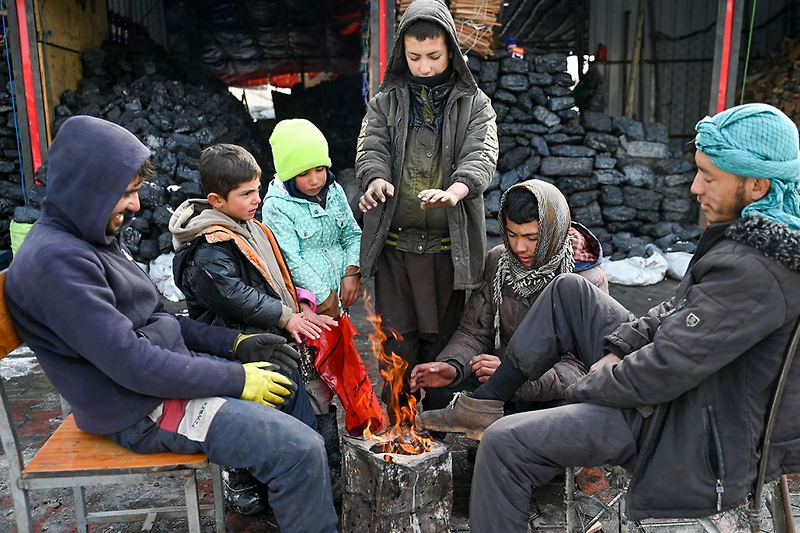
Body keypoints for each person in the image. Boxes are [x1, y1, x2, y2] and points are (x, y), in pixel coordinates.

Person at [420, 103, 800, 531]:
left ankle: (500, 415)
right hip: (671, 392)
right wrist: (621, 347)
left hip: (681, 422)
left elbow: (666, 370)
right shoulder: (744, 241)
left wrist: (591, 383)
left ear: (757, 185)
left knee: (505, 443)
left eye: (708, 176)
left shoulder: (755, 270)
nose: (695, 188)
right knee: (569, 292)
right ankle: (485, 402)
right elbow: (673, 311)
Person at [4, 116, 338, 533]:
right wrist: (235, 379)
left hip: (162, 376)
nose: (136, 206)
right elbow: (133, 365)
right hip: (142, 407)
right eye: (125, 194)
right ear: (85, 190)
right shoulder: (55, 264)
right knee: (298, 448)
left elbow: (163, 319)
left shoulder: (91, 238)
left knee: (283, 384)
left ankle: (301, 498)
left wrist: (238, 344)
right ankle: (299, 486)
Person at [168, 143, 334, 515]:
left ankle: (302, 470)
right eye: (245, 194)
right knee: (267, 400)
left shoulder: (249, 227)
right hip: (229, 345)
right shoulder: (208, 246)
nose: (256, 199)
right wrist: (284, 316)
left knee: (299, 392)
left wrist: (300, 303)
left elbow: (275, 275)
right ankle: (247, 477)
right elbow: (233, 295)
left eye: (257, 190)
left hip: (263, 337)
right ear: (217, 200)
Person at [355, 0, 498, 413]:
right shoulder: (386, 101)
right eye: (415, 57)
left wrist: (457, 190)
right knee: (396, 345)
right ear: (403, 53)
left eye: (434, 56)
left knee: (446, 348)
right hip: (396, 251)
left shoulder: (475, 104)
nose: (424, 66)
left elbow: (482, 153)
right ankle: (399, 430)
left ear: (451, 50)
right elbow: (371, 147)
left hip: (447, 251)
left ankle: (440, 428)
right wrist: (375, 179)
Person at [410, 180, 608, 415]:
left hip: (546, 389)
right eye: (512, 234)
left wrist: (511, 377)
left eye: (532, 237)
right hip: (498, 379)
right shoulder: (497, 261)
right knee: (440, 393)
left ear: (553, 231)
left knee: (567, 413)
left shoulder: (585, 279)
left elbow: (579, 367)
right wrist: (452, 366)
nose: (519, 247)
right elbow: (473, 332)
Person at [262, 118, 382, 438]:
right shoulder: (277, 206)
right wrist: (323, 295)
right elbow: (290, 258)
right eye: (303, 173)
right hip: (307, 306)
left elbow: (351, 234)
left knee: (343, 367)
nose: (314, 179)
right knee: (315, 377)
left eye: (319, 169)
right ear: (288, 175)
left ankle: (353, 435)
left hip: (337, 301)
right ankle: (324, 447)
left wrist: (351, 272)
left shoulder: (334, 190)